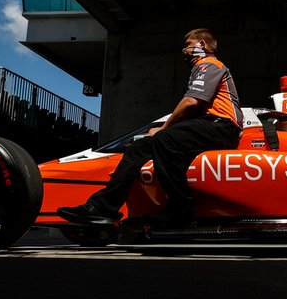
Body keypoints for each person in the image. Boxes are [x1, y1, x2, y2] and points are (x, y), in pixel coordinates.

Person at [58, 28, 243, 228]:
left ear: (202, 45)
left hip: (222, 127)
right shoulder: (199, 68)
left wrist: (163, 128)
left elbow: (191, 102)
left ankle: (181, 211)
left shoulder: (210, 64)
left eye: (188, 45)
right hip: (205, 128)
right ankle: (102, 207)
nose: (184, 50)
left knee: (165, 138)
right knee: (139, 147)